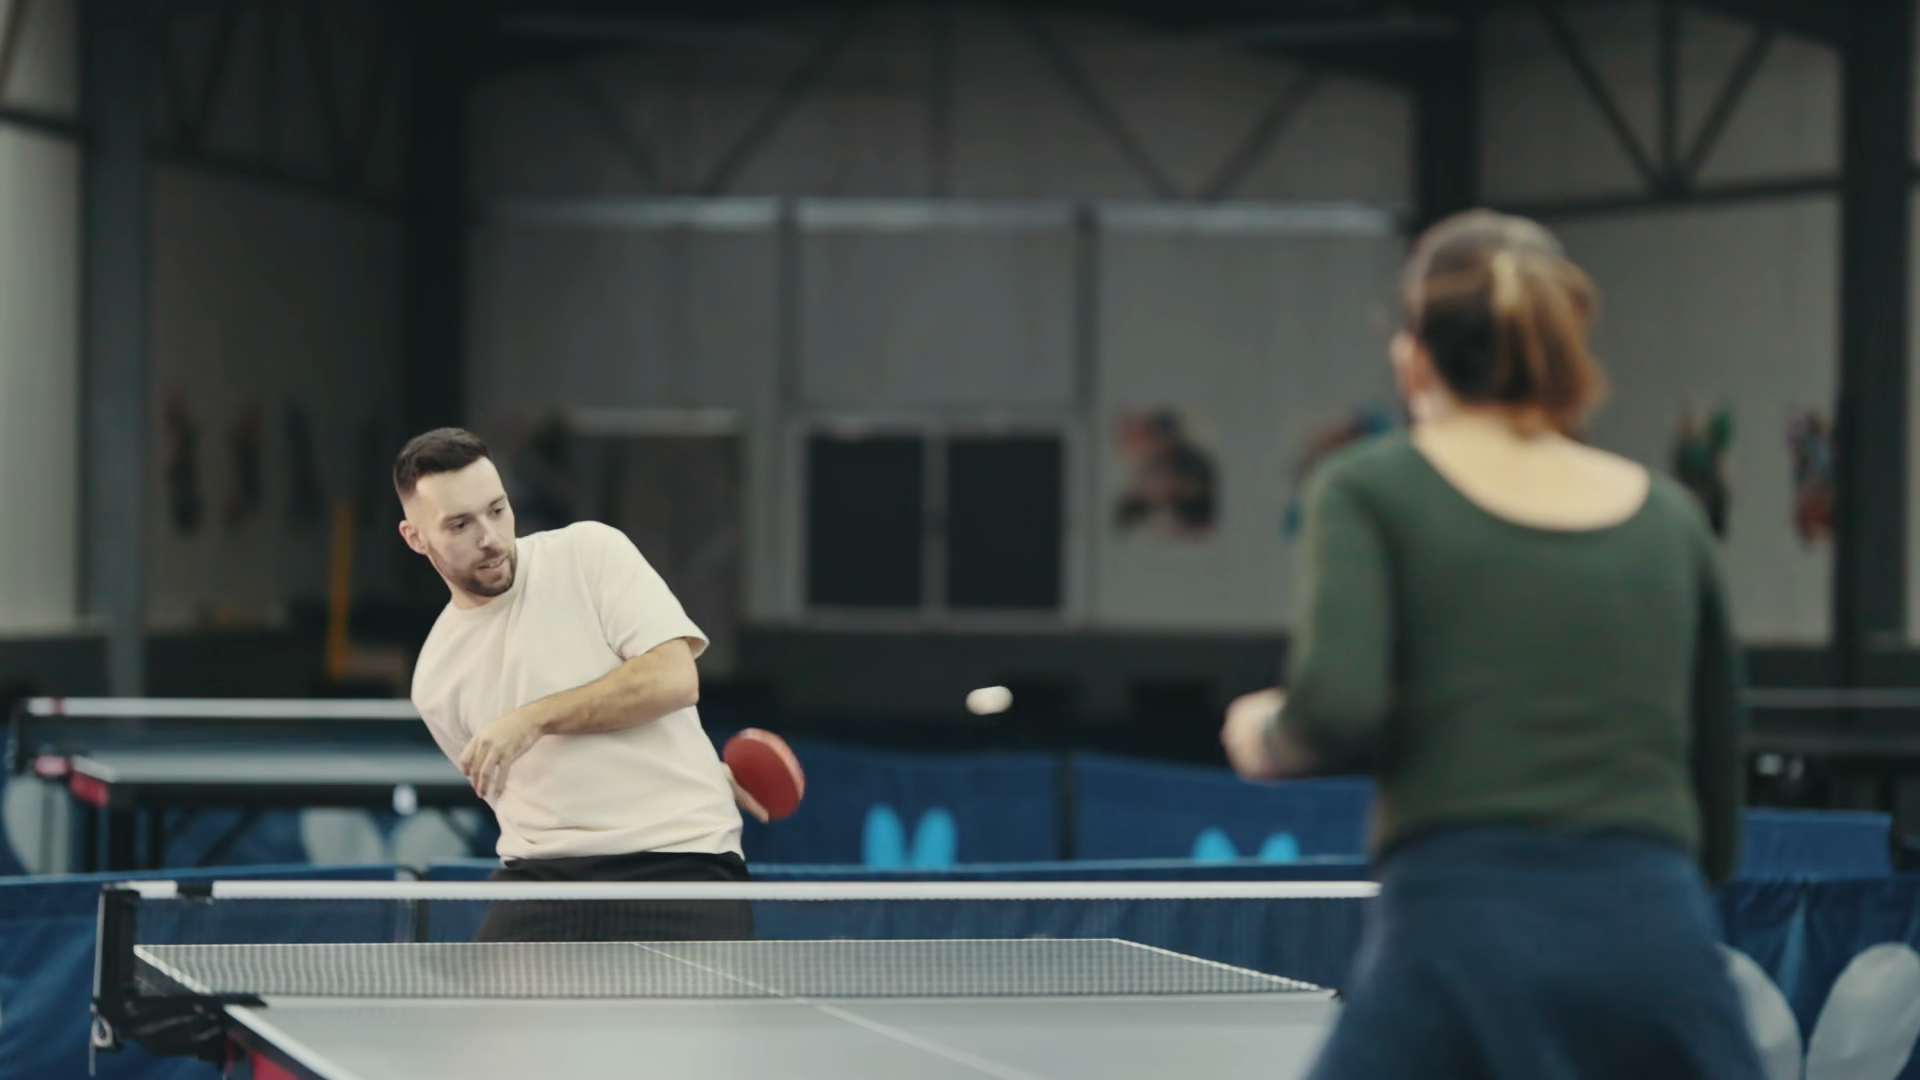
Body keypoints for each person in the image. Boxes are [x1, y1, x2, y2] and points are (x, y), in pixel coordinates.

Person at [1220, 210, 1765, 1079]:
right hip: (1657, 931)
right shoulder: (1670, 517)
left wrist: (1266, 733)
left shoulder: (1368, 487)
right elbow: (1718, 796)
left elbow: (1337, 708)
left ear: (1414, 355)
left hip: (1460, 927)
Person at [394, 427, 766, 942]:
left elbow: (674, 678)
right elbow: (515, 786)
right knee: (479, 997)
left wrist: (532, 718)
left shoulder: (589, 554)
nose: (490, 538)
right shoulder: (436, 680)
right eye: (460, 524)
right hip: (544, 877)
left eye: (497, 510)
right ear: (415, 538)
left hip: (679, 858)